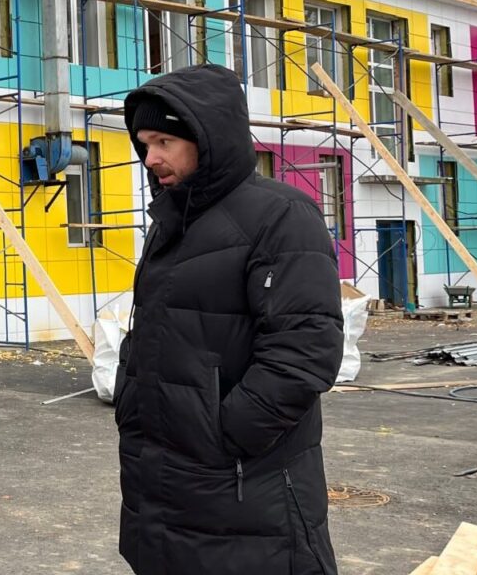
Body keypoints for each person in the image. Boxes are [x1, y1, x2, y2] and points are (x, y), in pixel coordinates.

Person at [117, 64, 344, 574]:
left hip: (245, 487)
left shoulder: (281, 216)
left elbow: (305, 351)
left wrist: (224, 435)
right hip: (163, 482)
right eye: (144, 144)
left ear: (207, 137)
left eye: (164, 141)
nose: (151, 158)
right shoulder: (172, 221)